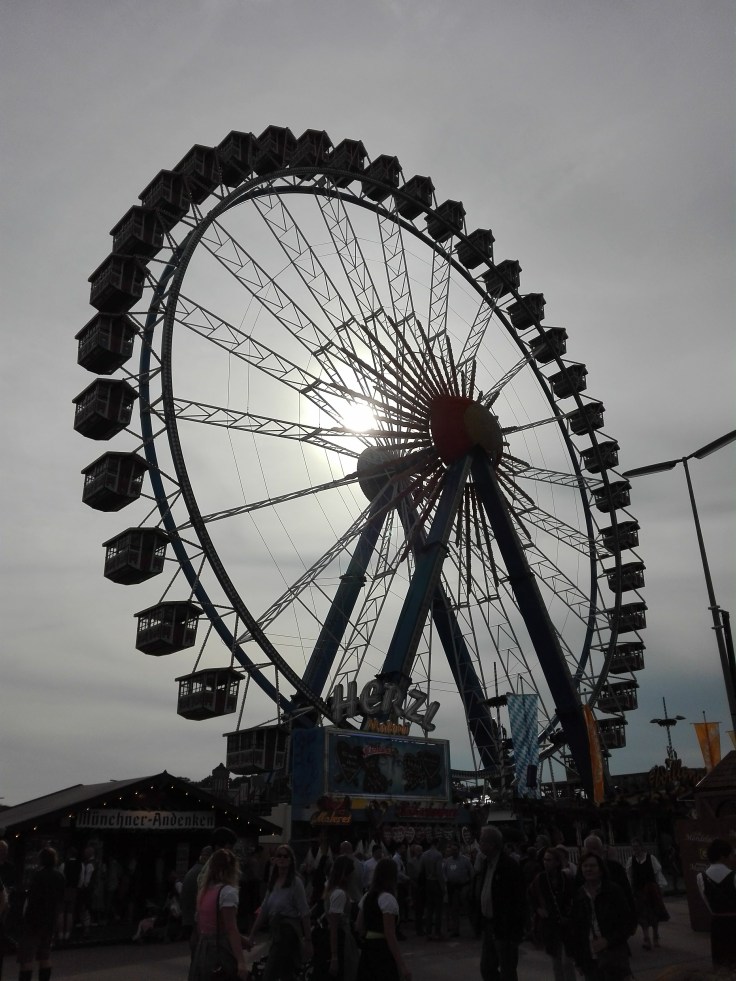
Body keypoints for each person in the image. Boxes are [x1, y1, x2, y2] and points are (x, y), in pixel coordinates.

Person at [247, 844, 313, 981]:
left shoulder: (296, 883)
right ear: (274, 859)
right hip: (275, 930)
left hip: (288, 932)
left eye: (285, 856)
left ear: (290, 860)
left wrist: (308, 940)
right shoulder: (274, 882)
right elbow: (264, 909)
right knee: (286, 974)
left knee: (270, 972)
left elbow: (305, 912)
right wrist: (252, 935)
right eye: (279, 856)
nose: (282, 859)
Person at [570, 850, 636, 981]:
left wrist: (608, 940)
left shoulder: (613, 891)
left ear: (600, 870)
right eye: (585, 866)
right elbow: (577, 930)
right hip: (590, 957)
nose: (588, 869)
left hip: (613, 955)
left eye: (592, 866)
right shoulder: (579, 895)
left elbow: (628, 923)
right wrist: (578, 960)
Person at [472, 825, 525, 981]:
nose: (479, 845)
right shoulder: (485, 864)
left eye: (481, 842)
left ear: (491, 844)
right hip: (488, 925)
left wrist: (516, 929)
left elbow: (519, 899)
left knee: (507, 969)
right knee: (487, 967)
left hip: (505, 927)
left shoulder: (508, 866)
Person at [189, 848, 249, 981]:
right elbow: (230, 929)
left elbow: (206, 924)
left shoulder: (205, 891)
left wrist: (242, 939)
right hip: (220, 948)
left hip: (203, 947)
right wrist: (241, 961)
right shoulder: (227, 892)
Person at [356, 857, 410, 981]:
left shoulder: (367, 897)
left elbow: (358, 926)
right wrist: (402, 965)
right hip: (382, 951)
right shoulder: (387, 899)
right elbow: (389, 933)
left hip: (368, 950)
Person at [16, 847, 65, 981]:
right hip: (49, 921)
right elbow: (60, 900)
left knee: (26, 958)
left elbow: (32, 900)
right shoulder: (60, 876)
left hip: (34, 921)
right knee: (45, 956)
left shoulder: (38, 876)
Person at [528, 847, 576, 981]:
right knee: (556, 962)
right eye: (544, 859)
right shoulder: (540, 879)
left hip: (566, 924)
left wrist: (568, 914)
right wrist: (538, 909)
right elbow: (531, 895)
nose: (545, 862)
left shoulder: (566, 878)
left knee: (567, 961)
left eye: (549, 860)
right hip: (550, 925)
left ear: (556, 862)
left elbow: (573, 897)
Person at [313, 855, 359, 981]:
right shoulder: (339, 894)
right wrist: (334, 956)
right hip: (342, 938)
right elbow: (334, 926)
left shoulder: (332, 890)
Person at [696, 837, 736, 970]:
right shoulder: (734, 876)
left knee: (720, 964)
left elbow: (707, 902)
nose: (733, 856)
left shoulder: (701, 877)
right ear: (723, 856)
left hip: (717, 924)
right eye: (730, 853)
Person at [625, 838, 669, 950]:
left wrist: (661, 887)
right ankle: (646, 938)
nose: (635, 849)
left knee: (654, 914)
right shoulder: (631, 860)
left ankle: (655, 936)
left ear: (641, 847)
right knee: (642, 916)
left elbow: (658, 874)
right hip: (638, 891)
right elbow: (629, 877)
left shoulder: (651, 858)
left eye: (636, 846)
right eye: (633, 847)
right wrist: (630, 890)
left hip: (651, 890)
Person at [181, 846, 213, 943]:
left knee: (195, 932)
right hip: (194, 908)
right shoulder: (202, 871)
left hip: (188, 908)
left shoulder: (195, 869)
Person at [442, 844, 472, 938]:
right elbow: (444, 873)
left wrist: (470, 885)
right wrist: (447, 881)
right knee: (454, 910)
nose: (453, 851)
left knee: (469, 909)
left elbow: (471, 872)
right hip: (453, 888)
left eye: (455, 850)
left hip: (464, 886)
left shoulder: (465, 860)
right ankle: (456, 930)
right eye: (452, 850)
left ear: (459, 850)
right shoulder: (448, 861)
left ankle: (475, 928)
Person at [418, 839, 444, 941]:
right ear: (436, 844)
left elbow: (421, 870)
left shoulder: (424, 855)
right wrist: (443, 887)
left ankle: (428, 932)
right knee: (438, 909)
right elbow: (439, 873)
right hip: (436, 882)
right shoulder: (438, 855)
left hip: (427, 882)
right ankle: (437, 932)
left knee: (429, 909)